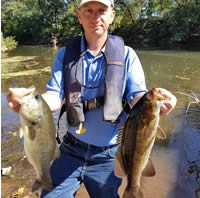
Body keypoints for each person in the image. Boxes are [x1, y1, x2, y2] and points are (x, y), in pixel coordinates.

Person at [7, 0, 177, 197]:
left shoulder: (127, 55)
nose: (95, 17)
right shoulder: (65, 55)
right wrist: (31, 105)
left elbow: (137, 97)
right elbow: (54, 96)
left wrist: (156, 102)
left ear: (112, 15)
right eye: (88, 11)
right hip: (70, 149)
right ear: (79, 15)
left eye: (102, 10)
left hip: (109, 154)